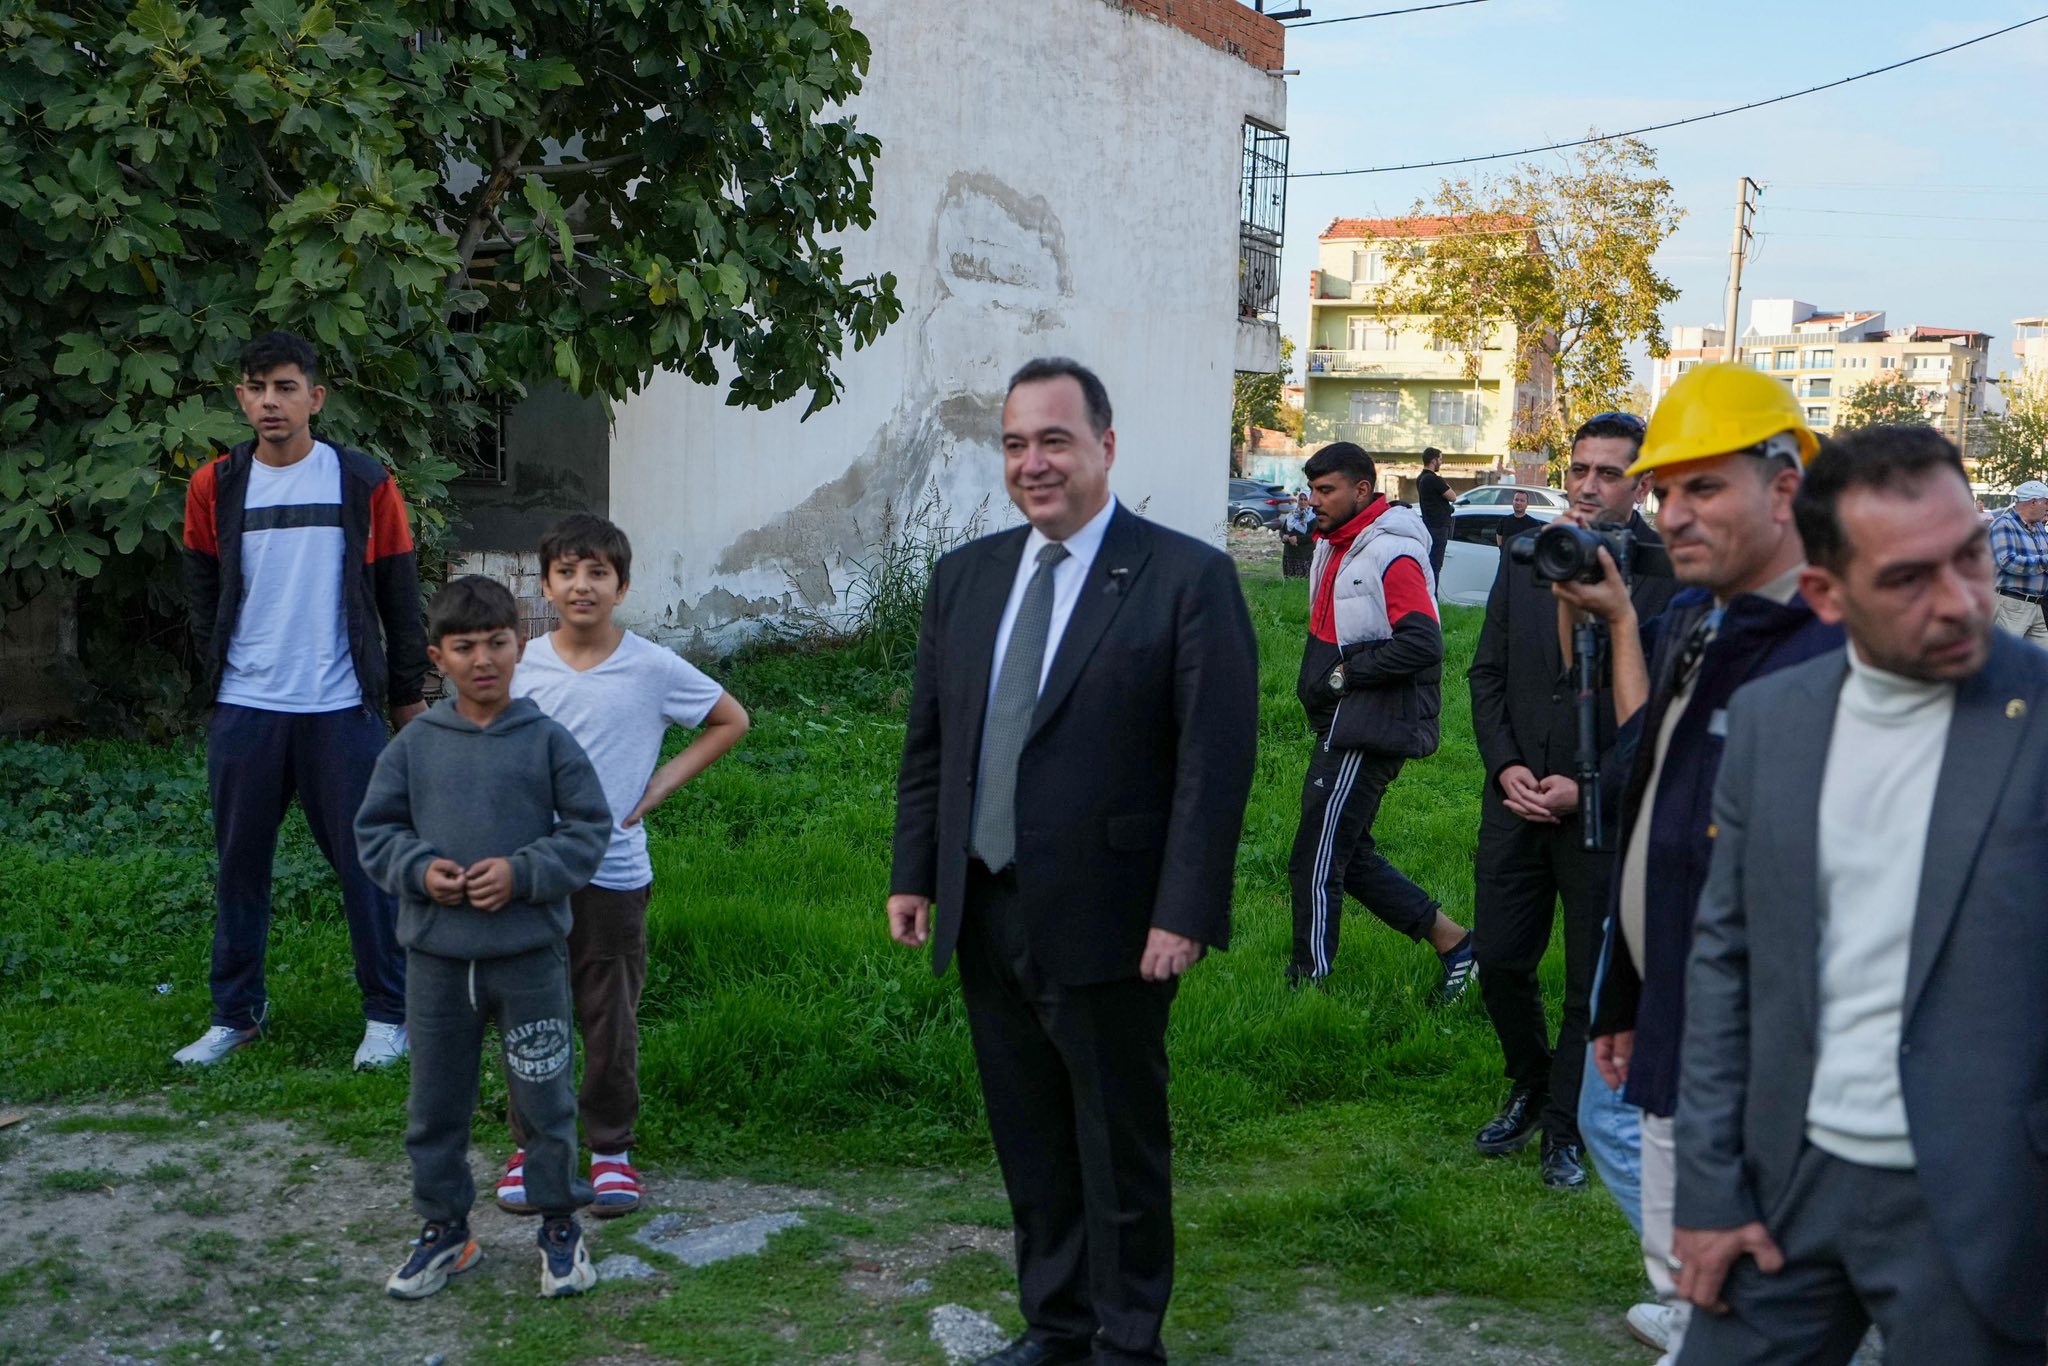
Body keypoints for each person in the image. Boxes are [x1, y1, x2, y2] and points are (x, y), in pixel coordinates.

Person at [888, 358, 1258, 1366]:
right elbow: (933, 742)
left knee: (1116, 1144)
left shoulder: (1186, 577)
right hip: (986, 905)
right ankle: (1054, 1328)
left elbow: (1213, 765)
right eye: (1013, 444)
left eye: (1052, 439)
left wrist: (1183, 909)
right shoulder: (963, 578)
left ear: (1105, 446)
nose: (1031, 463)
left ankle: (1126, 1342)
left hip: (1117, 915)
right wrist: (914, 871)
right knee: (1031, 1140)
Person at [1674, 425, 2048, 1365]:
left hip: (1985, 1202)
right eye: (1908, 579)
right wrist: (1711, 1190)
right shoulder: (1770, 721)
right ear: (1825, 595)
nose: (1963, 601)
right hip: (1783, 1187)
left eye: (1969, 556)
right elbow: (1725, 961)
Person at [1551, 365, 1841, 1365]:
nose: (1670, 512)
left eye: (1700, 487)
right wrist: (1626, 997)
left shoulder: (1832, 646)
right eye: (1663, 489)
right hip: (1677, 1019)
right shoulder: (1696, 622)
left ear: (1784, 486)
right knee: (1706, 1297)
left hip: (1771, 1073)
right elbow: (1655, 814)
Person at [355, 576, 611, 1301]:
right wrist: (417, 871)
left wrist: (524, 873)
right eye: (464, 648)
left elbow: (589, 829)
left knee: (545, 1100)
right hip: (437, 961)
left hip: (529, 958)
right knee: (435, 1104)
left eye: (497, 643)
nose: (482, 660)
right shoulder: (414, 746)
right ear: (438, 658)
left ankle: (560, 1224)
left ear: (519, 646)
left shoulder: (546, 740)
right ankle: (445, 1231)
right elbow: (376, 831)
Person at [176, 330, 427, 1069]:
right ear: (240, 399)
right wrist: (218, 680)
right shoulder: (214, 486)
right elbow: (200, 590)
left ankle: (390, 1013)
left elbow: (399, 590)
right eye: (255, 388)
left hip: (341, 706)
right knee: (239, 866)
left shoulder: (361, 480)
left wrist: (406, 696)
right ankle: (235, 1015)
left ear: (315, 397)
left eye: (285, 387)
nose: (269, 402)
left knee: (366, 866)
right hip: (247, 707)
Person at [493, 514, 751, 1219]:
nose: (582, 585)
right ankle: (534, 1146)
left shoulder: (651, 666)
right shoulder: (521, 665)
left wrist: (661, 786)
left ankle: (610, 1150)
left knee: (609, 1018)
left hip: (613, 874)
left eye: (598, 572)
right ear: (544, 585)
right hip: (532, 874)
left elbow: (731, 720)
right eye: (568, 571)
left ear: (622, 586)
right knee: (531, 1015)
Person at [1467, 414, 1677, 1190]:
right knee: (1497, 960)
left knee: (1590, 981)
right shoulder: (1527, 553)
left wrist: (1583, 787)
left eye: (1609, 473)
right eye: (1580, 468)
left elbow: (1656, 712)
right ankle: (1529, 1081)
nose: (1588, 485)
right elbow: (1486, 674)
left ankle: (1565, 1128)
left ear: (1642, 483)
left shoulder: (1667, 570)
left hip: (1603, 814)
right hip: (1516, 801)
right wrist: (1505, 768)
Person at [1287, 441, 1475, 998]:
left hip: (1369, 723)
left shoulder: (1391, 553)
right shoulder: (1334, 543)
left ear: (1362, 490)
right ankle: (1458, 945)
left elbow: (1424, 643)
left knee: (1315, 859)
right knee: (1348, 852)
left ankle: (1308, 988)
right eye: (1313, 489)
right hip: (1343, 721)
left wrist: (1345, 678)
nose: (1315, 501)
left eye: (1327, 491)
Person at [1986, 478, 2048, 644]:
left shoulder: (2039, 527)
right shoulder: (2003, 524)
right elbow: (2007, 561)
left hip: (2037, 605)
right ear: (2033, 502)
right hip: (2011, 605)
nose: (2047, 507)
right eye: (2046, 503)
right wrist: (2045, 562)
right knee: (2004, 662)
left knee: (2041, 662)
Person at [1415, 446, 1454, 577]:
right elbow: (1452, 496)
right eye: (1440, 459)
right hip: (1438, 528)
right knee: (1435, 567)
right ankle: (1433, 596)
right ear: (1433, 460)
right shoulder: (1434, 479)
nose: (1441, 462)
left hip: (1429, 525)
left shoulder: (1421, 478)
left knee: (1430, 565)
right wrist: (1446, 484)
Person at [1279, 489, 1315, 579]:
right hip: (1289, 555)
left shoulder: (1312, 517)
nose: (1302, 502)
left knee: (1302, 584)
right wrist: (1283, 536)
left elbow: (1314, 535)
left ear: (1309, 501)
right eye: (1301, 499)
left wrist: (1298, 539)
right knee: (1289, 584)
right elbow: (1282, 530)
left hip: (1304, 556)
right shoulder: (1291, 515)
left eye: (1305, 499)